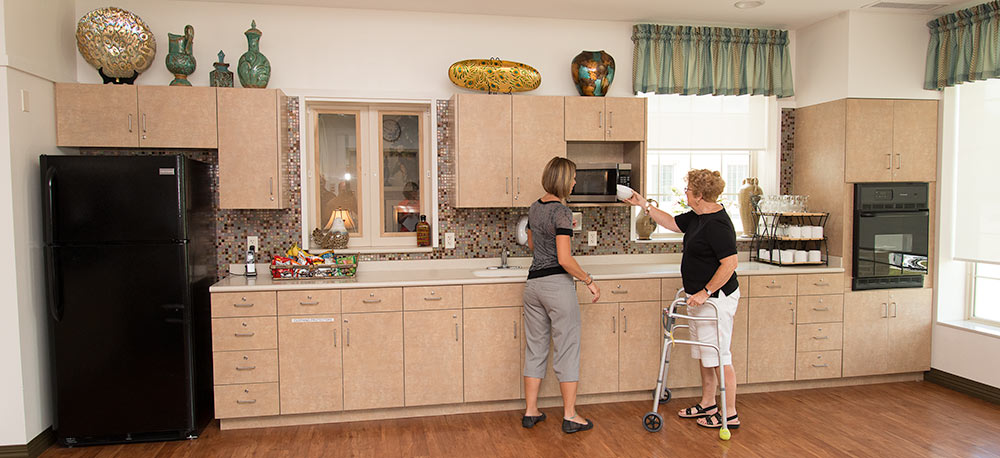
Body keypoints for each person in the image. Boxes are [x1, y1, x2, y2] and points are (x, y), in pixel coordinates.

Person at [624, 169, 741, 430]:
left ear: (699, 195)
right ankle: (709, 403)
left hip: (716, 300)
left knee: (720, 355)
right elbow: (672, 223)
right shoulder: (699, 216)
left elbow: (730, 263)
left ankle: (730, 414)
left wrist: (705, 292)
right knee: (705, 354)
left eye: (688, 189)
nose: (685, 192)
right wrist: (644, 205)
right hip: (698, 299)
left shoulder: (718, 223)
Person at [522, 157, 600, 434]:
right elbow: (565, 259)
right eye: (573, 177)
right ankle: (570, 415)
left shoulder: (534, 207)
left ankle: (531, 411)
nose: (576, 181)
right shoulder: (562, 212)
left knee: (535, 347)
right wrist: (588, 280)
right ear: (563, 180)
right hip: (556, 284)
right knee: (566, 348)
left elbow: (531, 243)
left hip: (533, 286)